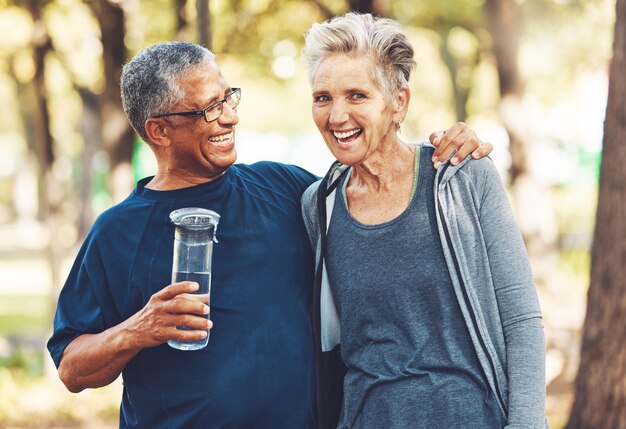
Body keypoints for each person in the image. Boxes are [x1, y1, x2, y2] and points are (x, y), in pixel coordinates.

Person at [47, 41, 492, 428]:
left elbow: (375, 185)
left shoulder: (285, 188)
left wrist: (443, 151)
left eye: (228, 98)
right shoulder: (117, 232)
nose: (229, 118)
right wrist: (137, 330)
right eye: (208, 109)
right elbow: (71, 367)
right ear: (159, 131)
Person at [301, 13, 546, 429]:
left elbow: (520, 319)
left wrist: (526, 423)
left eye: (357, 95)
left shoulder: (461, 176)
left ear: (399, 102)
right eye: (323, 97)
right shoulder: (318, 205)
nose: (336, 115)